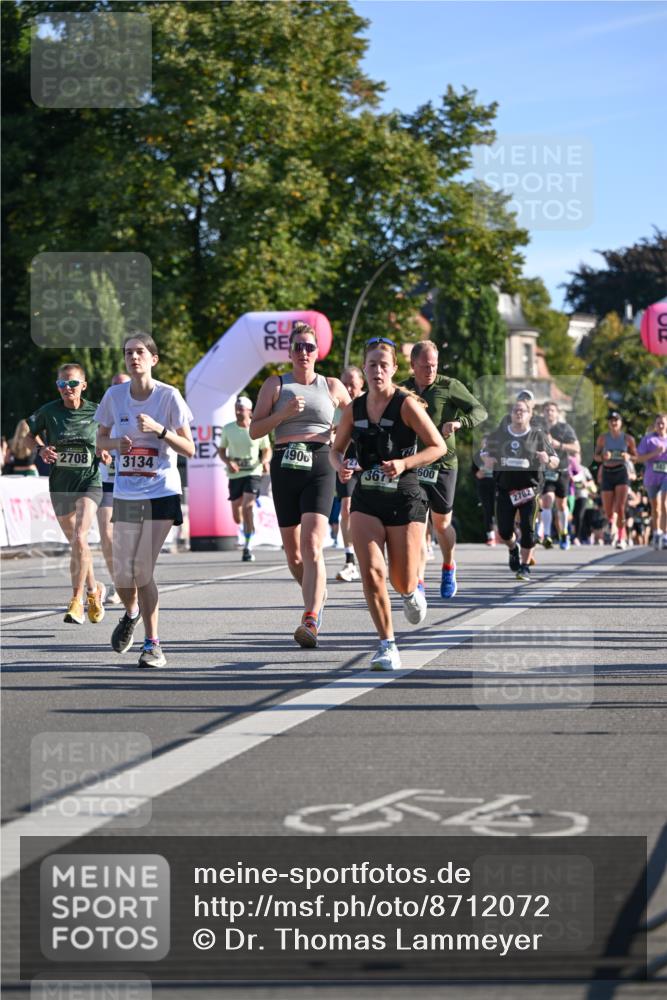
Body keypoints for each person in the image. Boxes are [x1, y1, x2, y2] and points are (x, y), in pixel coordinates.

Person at [331, 337, 447, 670]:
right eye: (372, 364)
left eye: (384, 365)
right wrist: (341, 466)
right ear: (365, 368)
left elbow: (437, 446)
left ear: (394, 369)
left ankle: (410, 592)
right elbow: (335, 450)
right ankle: (387, 645)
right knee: (371, 571)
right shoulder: (354, 408)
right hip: (366, 497)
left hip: (404, 498)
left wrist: (404, 463)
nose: (378, 370)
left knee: (402, 579)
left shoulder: (406, 404)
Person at [96, 333, 195, 668]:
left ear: (154, 359)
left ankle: (153, 645)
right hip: (126, 492)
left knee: (141, 568)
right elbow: (100, 440)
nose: (133, 357)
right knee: (122, 574)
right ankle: (131, 613)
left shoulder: (169, 396)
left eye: (139, 352)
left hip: (161, 491)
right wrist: (115, 445)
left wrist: (160, 431)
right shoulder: (114, 396)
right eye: (128, 353)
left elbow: (190, 449)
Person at [250, 321, 350, 648]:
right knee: (294, 556)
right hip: (285, 464)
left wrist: (343, 443)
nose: (304, 352)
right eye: (298, 347)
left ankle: (310, 617)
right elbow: (255, 430)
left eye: (309, 347)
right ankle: (317, 593)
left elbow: (356, 420)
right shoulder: (275, 385)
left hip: (320, 464)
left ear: (318, 352)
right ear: (290, 352)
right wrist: (284, 414)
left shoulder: (332, 385)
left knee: (311, 545)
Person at [401, 340, 487, 599]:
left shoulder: (449, 386)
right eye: (425, 365)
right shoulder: (402, 390)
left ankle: (449, 565)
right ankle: (418, 582)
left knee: (441, 525)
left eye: (434, 365)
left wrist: (459, 423)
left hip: (443, 465)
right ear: (413, 364)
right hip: (415, 463)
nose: (430, 370)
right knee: (416, 524)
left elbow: (479, 411)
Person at [26, 363, 106, 624]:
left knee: (80, 536)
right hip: (60, 485)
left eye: (72, 383)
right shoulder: (49, 411)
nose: (67, 388)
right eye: (62, 384)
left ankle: (76, 601)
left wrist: (105, 450)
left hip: (89, 482)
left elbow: (108, 436)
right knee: (77, 544)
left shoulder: (97, 411)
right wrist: (40, 449)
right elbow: (28, 435)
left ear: (83, 385)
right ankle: (94, 591)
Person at [484, 399, 558, 582]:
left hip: (530, 491)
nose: (519, 413)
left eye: (523, 410)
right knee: (504, 532)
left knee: (528, 529)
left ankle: (524, 566)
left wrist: (547, 459)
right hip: (505, 490)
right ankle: (513, 548)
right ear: (511, 414)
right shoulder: (500, 435)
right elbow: (484, 453)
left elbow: (555, 461)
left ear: (530, 414)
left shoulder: (538, 436)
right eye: (515, 410)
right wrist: (487, 459)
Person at [218, 395, 271, 562]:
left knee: (248, 506)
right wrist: (229, 462)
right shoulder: (228, 429)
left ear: (250, 411)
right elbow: (221, 450)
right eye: (236, 409)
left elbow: (267, 449)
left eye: (241, 409)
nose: (238, 412)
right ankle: (248, 527)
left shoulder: (257, 428)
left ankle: (248, 546)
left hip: (253, 472)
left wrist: (265, 461)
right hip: (235, 475)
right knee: (237, 516)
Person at [96, 373, 131, 604]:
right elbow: (95, 440)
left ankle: (132, 579)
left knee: (128, 538)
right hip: (107, 481)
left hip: (132, 483)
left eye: (123, 385)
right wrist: (101, 450)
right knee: (107, 535)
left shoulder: (140, 409)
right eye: (114, 385)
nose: (118, 389)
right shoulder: (103, 411)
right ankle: (118, 584)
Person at [335, 365, 365, 582]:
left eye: (352, 384)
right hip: (346, 464)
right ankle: (350, 561)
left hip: (370, 466)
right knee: (346, 508)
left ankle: (375, 556)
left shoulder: (370, 403)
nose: (347, 389)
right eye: (344, 384)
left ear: (361, 384)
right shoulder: (335, 407)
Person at [594, 411, 637, 549]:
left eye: (616, 420)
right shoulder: (603, 438)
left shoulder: (628, 439)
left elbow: (636, 457)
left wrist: (628, 457)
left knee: (620, 506)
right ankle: (612, 523)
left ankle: (621, 537)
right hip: (607, 472)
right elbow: (596, 456)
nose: (613, 423)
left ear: (621, 422)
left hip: (621, 472)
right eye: (611, 420)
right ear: (608, 423)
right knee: (608, 511)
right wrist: (603, 457)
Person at [540, 401, 580, 550]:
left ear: (557, 413)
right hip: (546, 471)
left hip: (562, 470)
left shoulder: (565, 428)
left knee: (561, 504)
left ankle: (564, 534)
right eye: (547, 410)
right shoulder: (539, 428)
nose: (549, 413)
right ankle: (547, 535)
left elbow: (576, 448)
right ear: (543, 413)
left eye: (552, 410)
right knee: (546, 501)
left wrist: (560, 445)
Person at [635, 413, 667, 549]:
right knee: (656, 507)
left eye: (663, 423)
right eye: (658, 423)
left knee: (665, 503)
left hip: (666, 476)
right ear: (655, 425)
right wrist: (655, 453)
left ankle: (665, 535)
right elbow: (638, 458)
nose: (661, 425)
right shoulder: (648, 440)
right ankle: (657, 532)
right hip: (652, 477)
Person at [472, 436, 497, 545]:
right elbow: (473, 470)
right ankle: (491, 537)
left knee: (500, 510)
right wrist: (477, 474)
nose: (486, 445)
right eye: (484, 443)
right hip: (483, 486)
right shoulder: (477, 455)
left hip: (497, 486)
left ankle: (507, 533)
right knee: (487, 510)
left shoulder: (498, 454)